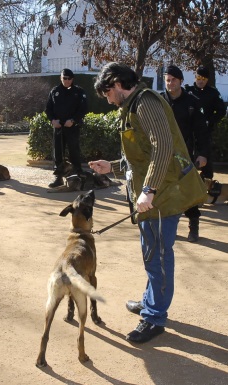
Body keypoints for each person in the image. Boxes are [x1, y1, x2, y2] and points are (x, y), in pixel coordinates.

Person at [90, 62, 206, 343]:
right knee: (151, 253)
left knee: (159, 257)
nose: (108, 100)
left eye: (107, 93)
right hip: (153, 194)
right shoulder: (133, 105)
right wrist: (113, 167)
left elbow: (163, 146)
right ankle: (150, 301)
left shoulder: (145, 102)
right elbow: (141, 157)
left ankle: (154, 317)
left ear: (117, 84)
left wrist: (149, 189)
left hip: (163, 195)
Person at [161, 65, 209, 242]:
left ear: (181, 81)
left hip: (185, 156)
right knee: (164, 193)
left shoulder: (192, 102)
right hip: (163, 155)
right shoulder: (159, 101)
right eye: (167, 79)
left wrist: (202, 154)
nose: (170, 83)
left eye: (173, 79)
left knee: (188, 192)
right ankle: (167, 228)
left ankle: (193, 227)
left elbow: (201, 131)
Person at [45, 68, 87, 188]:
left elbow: (83, 108)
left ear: (72, 79)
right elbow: (48, 108)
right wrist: (52, 120)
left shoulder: (78, 91)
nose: (66, 80)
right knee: (58, 152)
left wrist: (73, 120)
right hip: (58, 127)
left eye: (69, 79)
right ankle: (59, 177)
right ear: (61, 78)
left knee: (74, 150)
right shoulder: (54, 91)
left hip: (72, 126)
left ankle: (78, 174)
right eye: (64, 78)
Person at [185, 65, 226, 179]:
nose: (201, 81)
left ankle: (207, 184)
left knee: (205, 159)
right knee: (186, 157)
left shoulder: (212, 93)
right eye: (198, 77)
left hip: (204, 131)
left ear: (207, 80)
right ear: (195, 77)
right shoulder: (188, 91)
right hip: (188, 131)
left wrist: (210, 121)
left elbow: (221, 110)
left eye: (204, 79)